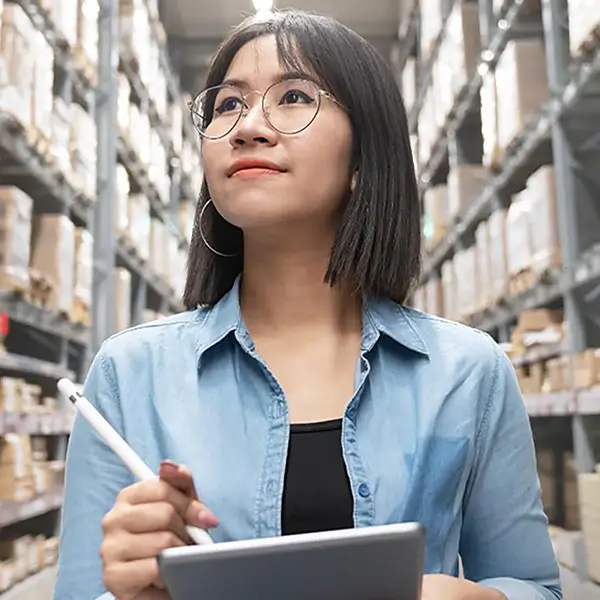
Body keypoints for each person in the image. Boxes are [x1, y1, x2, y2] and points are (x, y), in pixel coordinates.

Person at [53, 8, 562, 600]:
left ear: (363, 157)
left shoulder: (468, 371)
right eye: (228, 105)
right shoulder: (129, 376)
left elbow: (534, 586)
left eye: (293, 96)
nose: (248, 127)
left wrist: (470, 598)